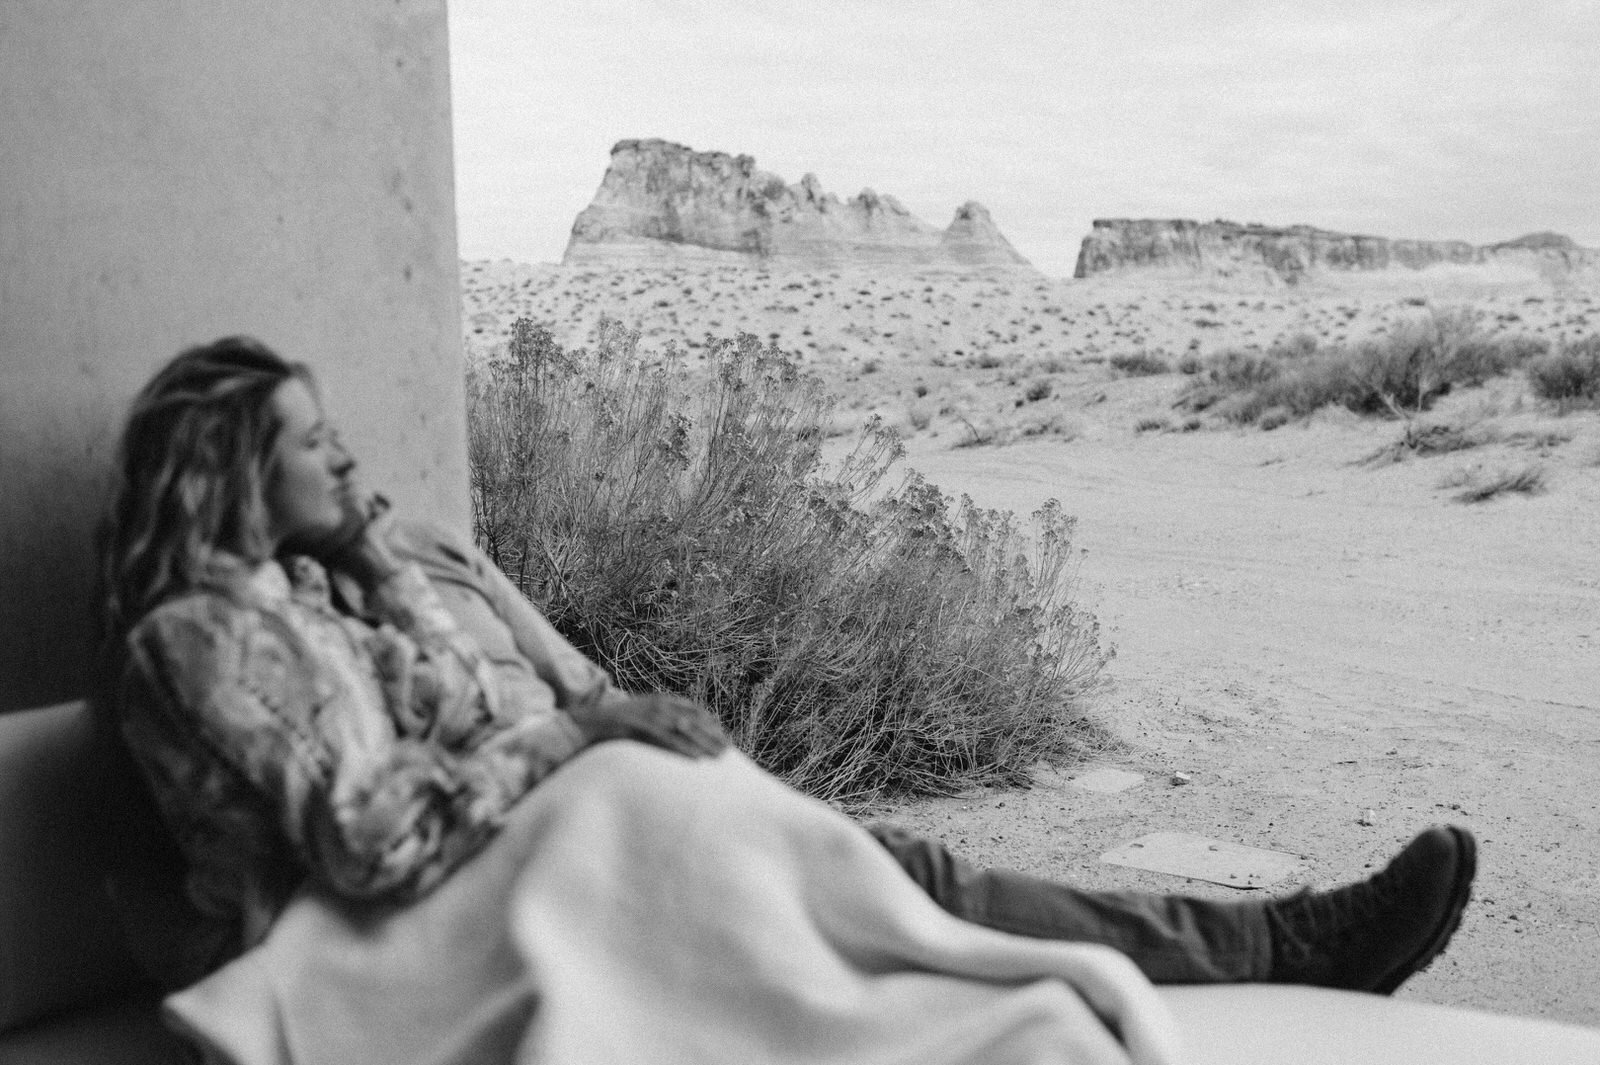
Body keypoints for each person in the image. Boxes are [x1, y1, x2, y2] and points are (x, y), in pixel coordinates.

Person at [95, 337, 1474, 1021]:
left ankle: (1287, 944)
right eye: (310, 445)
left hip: (513, 858)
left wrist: (406, 571)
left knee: (896, 875)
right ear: (227, 475)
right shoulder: (204, 637)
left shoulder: (314, 594)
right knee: (898, 889)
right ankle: (1288, 947)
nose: (346, 462)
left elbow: (477, 719)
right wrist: (588, 739)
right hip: (384, 950)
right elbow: (372, 831)